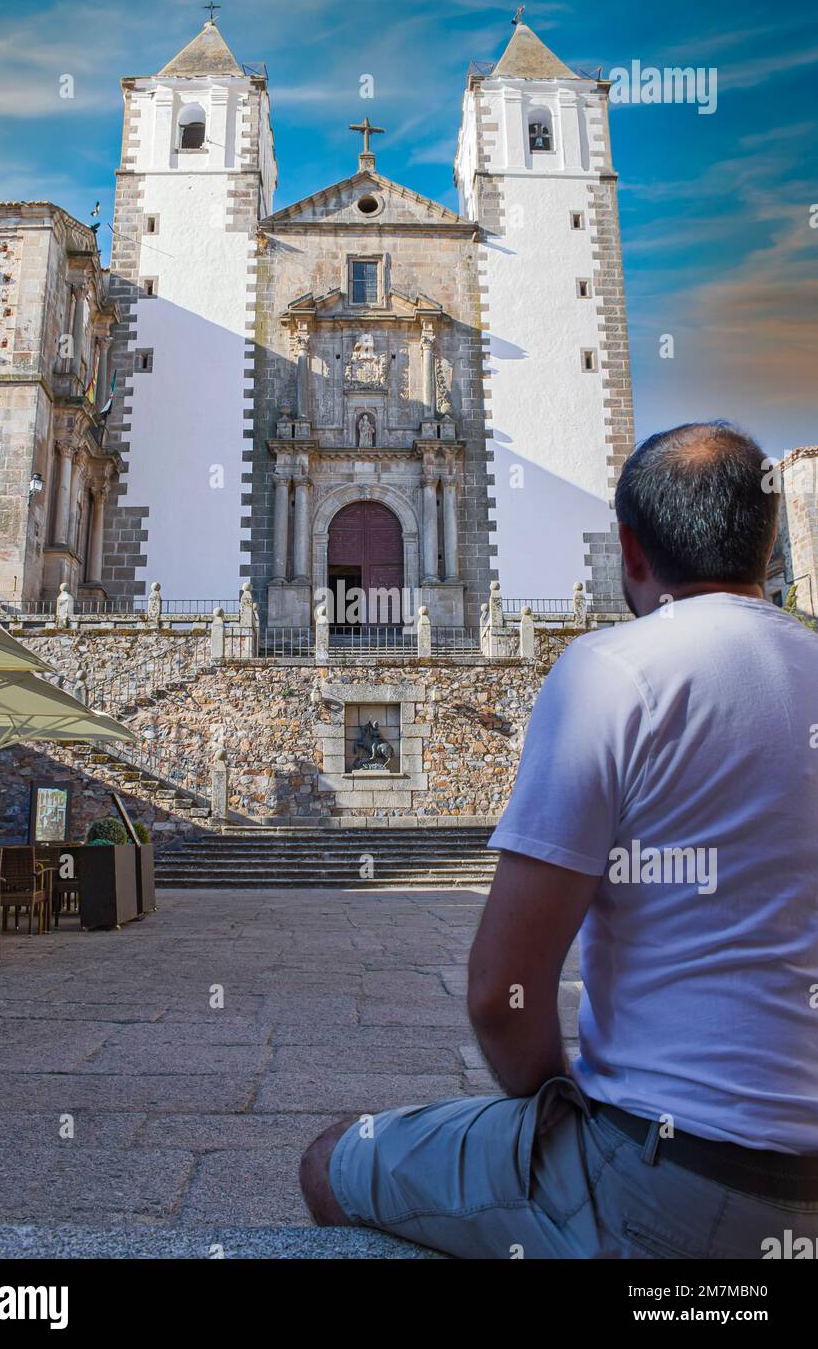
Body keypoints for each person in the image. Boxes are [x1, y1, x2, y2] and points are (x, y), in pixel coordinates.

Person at [300, 422, 818, 1258]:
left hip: (670, 1181)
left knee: (331, 1159)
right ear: (767, 542)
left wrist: (552, 1109)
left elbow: (499, 991)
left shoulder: (610, 672)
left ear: (629, 550)